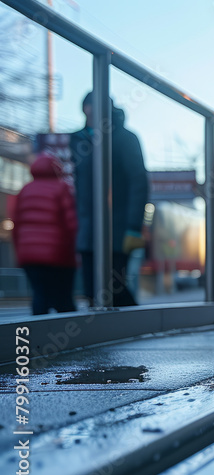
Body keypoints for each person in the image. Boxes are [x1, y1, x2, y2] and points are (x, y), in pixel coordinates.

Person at [70, 93, 150, 307]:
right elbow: (78, 185)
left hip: (118, 228)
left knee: (114, 288)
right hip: (88, 229)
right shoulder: (78, 139)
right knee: (91, 291)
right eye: (89, 108)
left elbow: (138, 182)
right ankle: (100, 335)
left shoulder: (125, 138)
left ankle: (137, 328)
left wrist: (133, 226)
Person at [12, 153, 79, 315]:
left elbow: (16, 224)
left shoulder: (25, 190)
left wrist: (19, 251)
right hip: (57, 255)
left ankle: (36, 336)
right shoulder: (62, 188)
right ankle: (69, 337)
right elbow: (71, 223)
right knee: (64, 300)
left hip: (30, 256)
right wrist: (75, 250)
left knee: (40, 296)